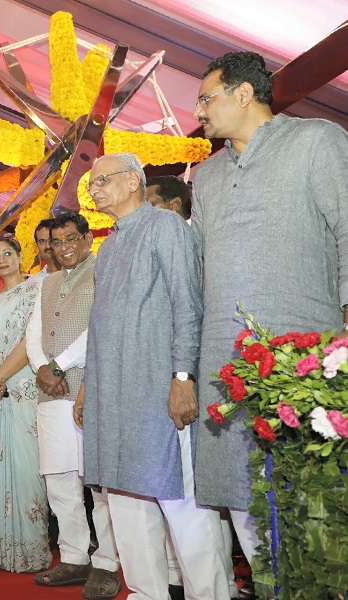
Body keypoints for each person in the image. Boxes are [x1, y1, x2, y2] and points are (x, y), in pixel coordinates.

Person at [191, 51, 348, 584]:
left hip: (304, 359)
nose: (199, 112)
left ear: (243, 94)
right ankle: (264, 585)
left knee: (311, 498)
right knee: (239, 491)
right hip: (224, 362)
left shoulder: (315, 140)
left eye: (206, 98)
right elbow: (197, 270)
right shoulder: (206, 176)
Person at [78, 152, 229, 599]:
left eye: (101, 180)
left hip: (157, 392)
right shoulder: (108, 247)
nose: (93, 189)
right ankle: (146, 592)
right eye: (91, 184)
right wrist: (89, 383)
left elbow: (189, 306)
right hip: (112, 394)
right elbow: (100, 323)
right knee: (124, 501)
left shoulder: (165, 228)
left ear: (131, 182)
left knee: (181, 504)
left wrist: (183, 376)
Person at [147, 174, 240, 600]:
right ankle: (204, 585)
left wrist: (183, 378)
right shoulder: (158, 242)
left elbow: (189, 313)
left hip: (201, 378)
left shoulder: (188, 241)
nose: (146, 214)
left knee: (207, 496)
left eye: (152, 204)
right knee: (197, 497)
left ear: (176, 206)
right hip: (178, 380)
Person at [24, 213, 121, 598]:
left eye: (70, 239)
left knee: (98, 482)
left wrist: (59, 364)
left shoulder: (102, 272)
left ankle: (107, 563)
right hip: (50, 393)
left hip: (89, 388)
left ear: (86, 239)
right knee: (60, 479)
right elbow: (33, 333)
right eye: (56, 240)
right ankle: (74, 556)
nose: (63, 246)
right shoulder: (46, 283)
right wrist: (43, 369)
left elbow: (100, 326)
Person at [0, 234, 50, 573]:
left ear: (20, 256)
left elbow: (29, 341)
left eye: (7, 253)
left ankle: (29, 549)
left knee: (26, 464)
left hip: (20, 388)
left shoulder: (36, 291)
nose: (1, 260)